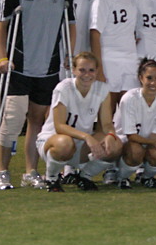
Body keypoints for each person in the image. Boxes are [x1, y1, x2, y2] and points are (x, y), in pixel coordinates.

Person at [0, 0, 75, 190]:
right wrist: (3, 57)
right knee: (12, 120)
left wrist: (67, 55)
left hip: (48, 67)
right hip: (19, 67)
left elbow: (70, 24)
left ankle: (31, 172)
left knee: (37, 122)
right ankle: (2, 172)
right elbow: (1, 25)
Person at [36, 52, 122, 192]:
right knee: (65, 143)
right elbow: (59, 126)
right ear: (74, 70)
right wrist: (87, 137)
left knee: (116, 145)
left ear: (97, 71)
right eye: (82, 70)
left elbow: (106, 124)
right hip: (53, 142)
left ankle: (85, 177)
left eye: (91, 70)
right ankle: (51, 178)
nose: (87, 74)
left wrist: (111, 136)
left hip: (81, 144)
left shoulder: (102, 89)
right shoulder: (63, 88)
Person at [113, 58, 156, 189]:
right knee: (135, 150)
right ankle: (121, 177)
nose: (153, 83)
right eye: (149, 78)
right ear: (141, 78)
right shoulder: (130, 98)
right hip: (123, 143)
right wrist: (154, 143)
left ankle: (146, 177)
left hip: (148, 141)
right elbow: (131, 136)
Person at [89, 0, 138, 112]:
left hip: (129, 60)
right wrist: (99, 68)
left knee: (129, 112)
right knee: (107, 113)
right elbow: (95, 34)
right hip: (110, 60)